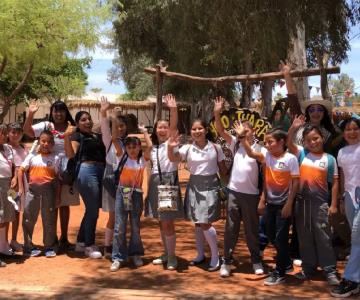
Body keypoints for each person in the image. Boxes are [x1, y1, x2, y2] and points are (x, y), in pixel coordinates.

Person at [237, 122, 299, 286]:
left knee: (281, 238)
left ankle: (279, 273)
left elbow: (295, 184)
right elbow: (251, 153)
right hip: (270, 205)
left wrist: (289, 204)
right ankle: (285, 264)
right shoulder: (268, 157)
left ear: (281, 142)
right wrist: (263, 200)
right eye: (266, 142)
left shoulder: (291, 159)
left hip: (283, 206)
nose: (267, 145)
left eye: (270, 141)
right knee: (271, 235)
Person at [213, 96, 264, 277]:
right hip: (234, 192)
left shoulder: (261, 148)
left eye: (246, 130)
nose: (242, 132)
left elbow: (257, 158)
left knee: (251, 230)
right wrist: (217, 112)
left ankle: (256, 261)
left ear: (253, 131)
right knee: (231, 228)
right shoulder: (235, 145)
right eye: (239, 130)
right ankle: (227, 261)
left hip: (251, 195)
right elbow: (219, 130)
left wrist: (243, 138)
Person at [168, 119, 227, 272]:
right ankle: (200, 254)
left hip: (211, 185)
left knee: (205, 221)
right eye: (194, 129)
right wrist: (171, 147)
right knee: (198, 221)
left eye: (200, 128)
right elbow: (173, 158)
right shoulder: (187, 148)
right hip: (194, 184)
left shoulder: (216, 147)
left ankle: (215, 256)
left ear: (206, 130)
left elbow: (223, 170)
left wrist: (226, 189)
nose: (197, 131)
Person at [288, 116, 340, 286]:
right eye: (309, 140)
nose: (313, 142)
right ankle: (308, 268)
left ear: (322, 139)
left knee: (324, 237)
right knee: (305, 238)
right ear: (305, 142)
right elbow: (288, 143)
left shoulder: (330, 159)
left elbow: (335, 184)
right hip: (302, 204)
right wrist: (294, 128)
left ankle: (330, 270)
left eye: (316, 138)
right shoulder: (302, 154)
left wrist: (333, 205)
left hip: (321, 205)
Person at [23, 100, 79, 250]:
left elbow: (70, 153)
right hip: (47, 169)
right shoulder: (46, 126)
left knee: (64, 204)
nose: (58, 113)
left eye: (61, 110)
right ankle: (51, 238)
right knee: (51, 205)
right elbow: (27, 131)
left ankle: (64, 238)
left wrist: (67, 135)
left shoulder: (71, 128)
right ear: (52, 112)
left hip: (66, 170)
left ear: (66, 112)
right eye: (55, 110)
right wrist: (31, 113)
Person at [144, 94, 184, 271]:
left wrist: (173, 109)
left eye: (165, 127)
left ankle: (173, 256)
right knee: (160, 220)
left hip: (167, 181)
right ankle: (166, 253)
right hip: (154, 182)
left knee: (167, 221)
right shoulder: (154, 147)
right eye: (159, 127)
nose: (162, 129)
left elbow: (174, 124)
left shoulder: (171, 142)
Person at [64, 111, 106, 259]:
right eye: (83, 120)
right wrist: (66, 137)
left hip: (101, 171)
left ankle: (81, 242)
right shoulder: (77, 136)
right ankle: (89, 245)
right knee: (93, 210)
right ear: (77, 124)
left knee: (91, 209)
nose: (88, 121)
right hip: (87, 171)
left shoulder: (97, 136)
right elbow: (70, 155)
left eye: (89, 119)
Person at [18, 130, 59, 258]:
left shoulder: (55, 158)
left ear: (52, 144)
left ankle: (48, 246)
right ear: (39, 142)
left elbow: (57, 179)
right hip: (32, 192)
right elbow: (21, 170)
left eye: (49, 142)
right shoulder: (32, 157)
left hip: (49, 191)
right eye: (43, 141)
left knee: (49, 220)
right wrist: (21, 188)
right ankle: (28, 246)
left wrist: (57, 196)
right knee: (28, 218)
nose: (46, 144)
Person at [331, 118, 360, 297]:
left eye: (356, 128)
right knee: (355, 236)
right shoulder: (341, 153)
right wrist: (341, 198)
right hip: (349, 197)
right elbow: (342, 176)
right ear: (344, 133)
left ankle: (351, 279)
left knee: (357, 237)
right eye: (348, 129)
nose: (352, 132)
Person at [110, 134, 147, 272]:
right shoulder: (122, 157)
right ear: (125, 148)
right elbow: (114, 139)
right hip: (122, 192)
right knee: (119, 225)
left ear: (139, 148)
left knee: (135, 225)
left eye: (135, 147)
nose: (132, 150)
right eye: (129, 147)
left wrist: (144, 132)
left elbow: (149, 146)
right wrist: (112, 118)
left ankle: (135, 254)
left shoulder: (142, 160)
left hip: (136, 194)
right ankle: (118, 257)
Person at [99, 97, 128, 258]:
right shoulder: (108, 141)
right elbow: (104, 126)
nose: (119, 128)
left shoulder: (131, 143)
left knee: (124, 215)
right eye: (117, 126)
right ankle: (108, 246)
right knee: (113, 215)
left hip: (126, 179)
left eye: (122, 125)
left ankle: (120, 244)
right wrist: (104, 111)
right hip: (111, 178)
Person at [7, 122, 28, 253]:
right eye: (13, 132)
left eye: (18, 132)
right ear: (8, 134)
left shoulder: (23, 148)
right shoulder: (5, 148)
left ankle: (13, 240)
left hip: (22, 184)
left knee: (16, 211)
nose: (16, 135)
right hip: (9, 185)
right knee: (5, 212)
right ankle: (3, 241)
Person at [0, 124, 16, 262]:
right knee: (0, 217)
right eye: (2, 133)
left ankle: (4, 247)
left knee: (8, 216)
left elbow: (14, 166)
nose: (4, 136)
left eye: (5, 133)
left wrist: (15, 178)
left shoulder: (8, 148)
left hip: (9, 184)